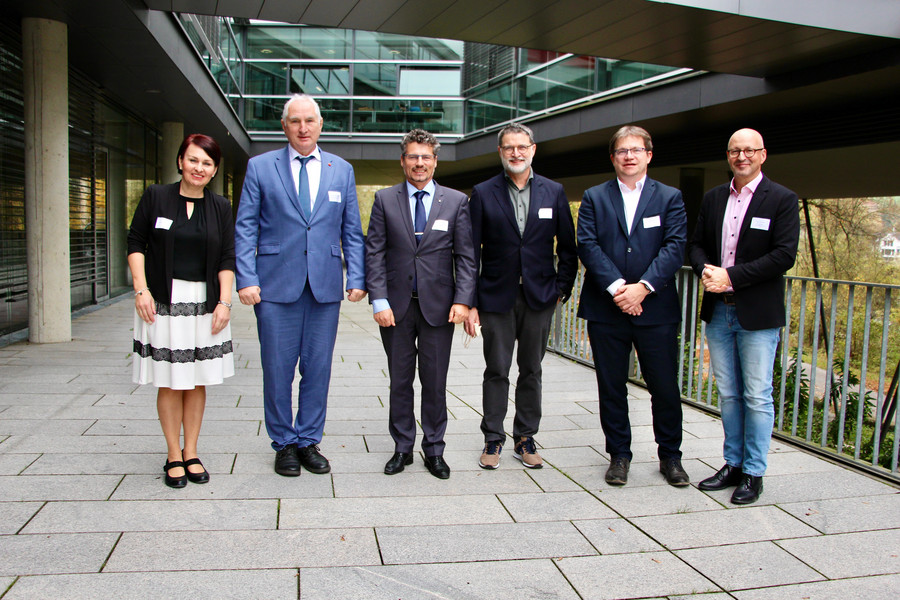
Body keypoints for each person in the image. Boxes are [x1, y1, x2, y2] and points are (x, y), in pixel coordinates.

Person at [234, 94, 366, 477]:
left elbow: (351, 231)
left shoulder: (340, 169)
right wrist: (247, 278)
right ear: (285, 126)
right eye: (295, 121)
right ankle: (284, 443)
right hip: (275, 286)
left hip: (324, 286)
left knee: (318, 368)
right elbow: (245, 227)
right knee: (277, 369)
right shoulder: (260, 167)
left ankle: (308, 440)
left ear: (320, 125)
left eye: (310, 120)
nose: (303, 128)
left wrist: (355, 275)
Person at [688, 128, 800, 504]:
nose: (742, 157)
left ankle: (754, 472)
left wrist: (730, 277)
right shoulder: (715, 197)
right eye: (735, 150)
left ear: (763, 154)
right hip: (719, 311)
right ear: (728, 155)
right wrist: (706, 269)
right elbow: (696, 243)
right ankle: (732, 464)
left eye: (749, 150)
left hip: (757, 313)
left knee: (757, 395)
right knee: (730, 393)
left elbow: (784, 256)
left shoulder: (782, 199)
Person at [577, 125, 689, 487]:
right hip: (606, 309)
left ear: (648, 155)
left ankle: (670, 457)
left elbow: (674, 247)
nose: (629, 156)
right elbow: (588, 245)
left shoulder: (670, 197)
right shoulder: (594, 197)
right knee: (611, 386)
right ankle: (619, 455)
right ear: (613, 157)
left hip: (655, 308)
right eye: (622, 150)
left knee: (665, 387)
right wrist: (618, 289)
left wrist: (641, 289)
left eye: (636, 150)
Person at [465, 123, 577, 469]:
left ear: (533, 149)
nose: (516, 153)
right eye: (509, 147)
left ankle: (526, 438)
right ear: (500, 152)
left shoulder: (554, 191)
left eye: (522, 147)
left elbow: (568, 247)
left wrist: (562, 289)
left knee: (532, 369)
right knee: (496, 369)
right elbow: (470, 251)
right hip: (495, 297)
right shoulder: (483, 193)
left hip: (540, 297)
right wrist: (469, 301)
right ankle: (493, 439)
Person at [365, 129, 476, 479]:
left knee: (434, 380)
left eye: (425, 157)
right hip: (394, 308)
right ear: (403, 161)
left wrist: (463, 300)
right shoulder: (384, 200)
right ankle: (402, 448)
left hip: (439, 308)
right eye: (413, 156)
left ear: (435, 161)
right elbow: (375, 253)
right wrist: (378, 299)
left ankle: (434, 449)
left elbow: (467, 257)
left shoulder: (456, 201)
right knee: (399, 381)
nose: (419, 163)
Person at [128, 133, 235, 489]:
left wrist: (224, 302)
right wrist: (141, 290)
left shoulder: (220, 206)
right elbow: (135, 242)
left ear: (214, 169)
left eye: (207, 163)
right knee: (171, 381)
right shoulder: (156, 196)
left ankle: (192, 451)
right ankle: (173, 453)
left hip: (205, 305)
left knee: (197, 379)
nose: (199, 168)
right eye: (193, 160)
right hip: (162, 303)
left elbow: (226, 257)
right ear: (180, 161)